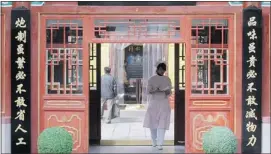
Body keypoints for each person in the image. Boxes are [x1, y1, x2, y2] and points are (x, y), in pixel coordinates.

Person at [143, 62, 172, 150]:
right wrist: (155, 90)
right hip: (154, 102)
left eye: (163, 70)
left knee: (162, 123)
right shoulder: (151, 79)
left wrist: (166, 91)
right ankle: (154, 141)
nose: (162, 71)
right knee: (153, 122)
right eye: (160, 69)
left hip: (164, 102)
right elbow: (148, 91)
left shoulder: (167, 79)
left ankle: (160, 143)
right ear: (157, 69)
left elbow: (169, 92)